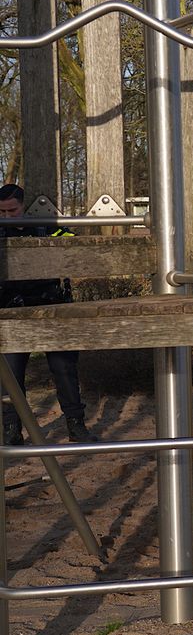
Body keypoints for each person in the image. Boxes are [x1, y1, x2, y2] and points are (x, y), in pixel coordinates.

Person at [0, 183, 95, 444]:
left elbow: (75, 245)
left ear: (24, 206)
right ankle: (11, 429)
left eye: (12, 210)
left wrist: (63, 243)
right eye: (2, 212)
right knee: (10, 374)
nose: (8, 217)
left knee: (64, 368)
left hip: (51, 309)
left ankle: (76, 426)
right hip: (12, 312)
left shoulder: (45, 227)